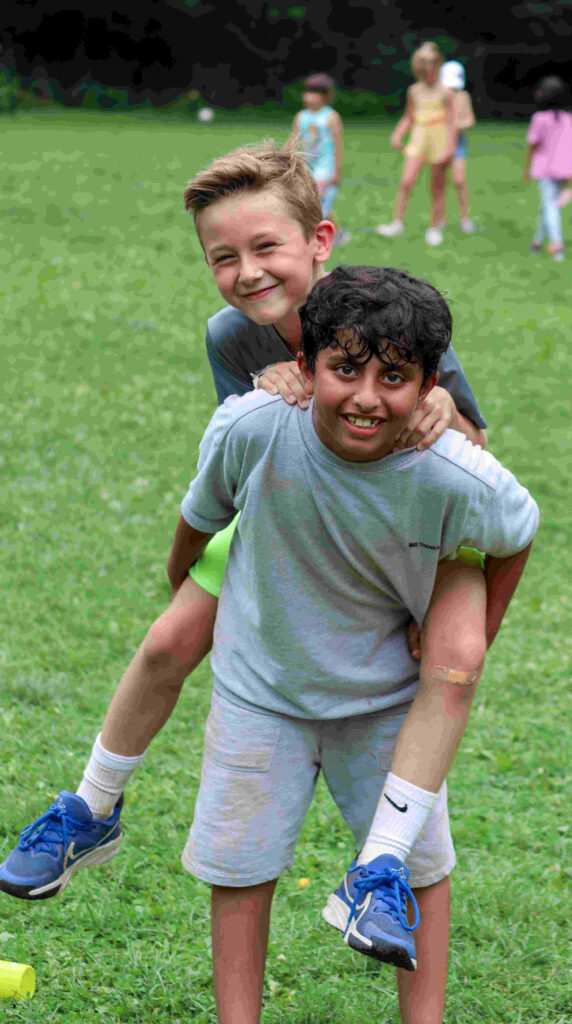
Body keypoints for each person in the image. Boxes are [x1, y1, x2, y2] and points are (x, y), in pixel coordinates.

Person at [0, 140, 489, 908]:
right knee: (167, 639)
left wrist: (441, 409)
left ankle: (388, 862)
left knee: (431, 669)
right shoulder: (230, 337)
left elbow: (475, 448)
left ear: (318, 241)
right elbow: (242, 463)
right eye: (223, 257)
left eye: (265, 247)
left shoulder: (386, 317)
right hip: (280, 518)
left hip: (385, 536)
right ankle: (91, 808)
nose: (247, 272)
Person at [171, 263, 538, 1022]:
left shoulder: (452, 472)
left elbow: (518, 531)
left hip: (384, 700)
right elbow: (199, 520)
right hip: (261, 688)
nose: (367, 397)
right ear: (304, 365)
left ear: (430, 385)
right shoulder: (252, 427)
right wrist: (188, 591)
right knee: (241, 868)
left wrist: (473, 632)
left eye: (394, 377)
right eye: (344, 370)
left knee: (417, 869)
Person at [376, 42, 456, 246]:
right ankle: (397, 223)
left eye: (431, 66)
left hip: (439, 137)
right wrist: (397, 135)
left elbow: (452, 122)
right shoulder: (414, 90)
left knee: (437, 185)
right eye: (423, 67)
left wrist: (450, 147)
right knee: (406, 181)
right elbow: (408, 117)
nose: (427, 71)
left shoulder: (446, 92)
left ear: (438, 66)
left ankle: (434, 227)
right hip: (419, 137)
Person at [523, 75, 572, 261]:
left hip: (545, 168)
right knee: (547, 205)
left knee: (550, 205)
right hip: (564, 168)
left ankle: (557, 243)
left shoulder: (539, 119)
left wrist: (527, 167)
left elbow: (532, 145)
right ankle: (537, 242)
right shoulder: (568, 118)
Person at [292, 72, 351, 247]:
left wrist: (337, 171)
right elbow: (294, 140)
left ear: (326, 96)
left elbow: (338, 145)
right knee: (318, 204)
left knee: (314, 203)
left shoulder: (330, 117)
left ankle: (309, 240)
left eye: (315, 93)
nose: (310, 97)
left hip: (326, 168)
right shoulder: (301, 117)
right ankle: (339, 234)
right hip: (308, 166)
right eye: (308, 92)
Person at [439, 60, 476, 233]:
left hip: (458, 143)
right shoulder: (438, 96)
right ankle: (440, 218)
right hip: (439, 143)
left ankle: (465, 218)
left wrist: (456, 126)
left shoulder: (463, 97)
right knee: (440, 182)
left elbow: (470, 120)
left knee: (459, 181)